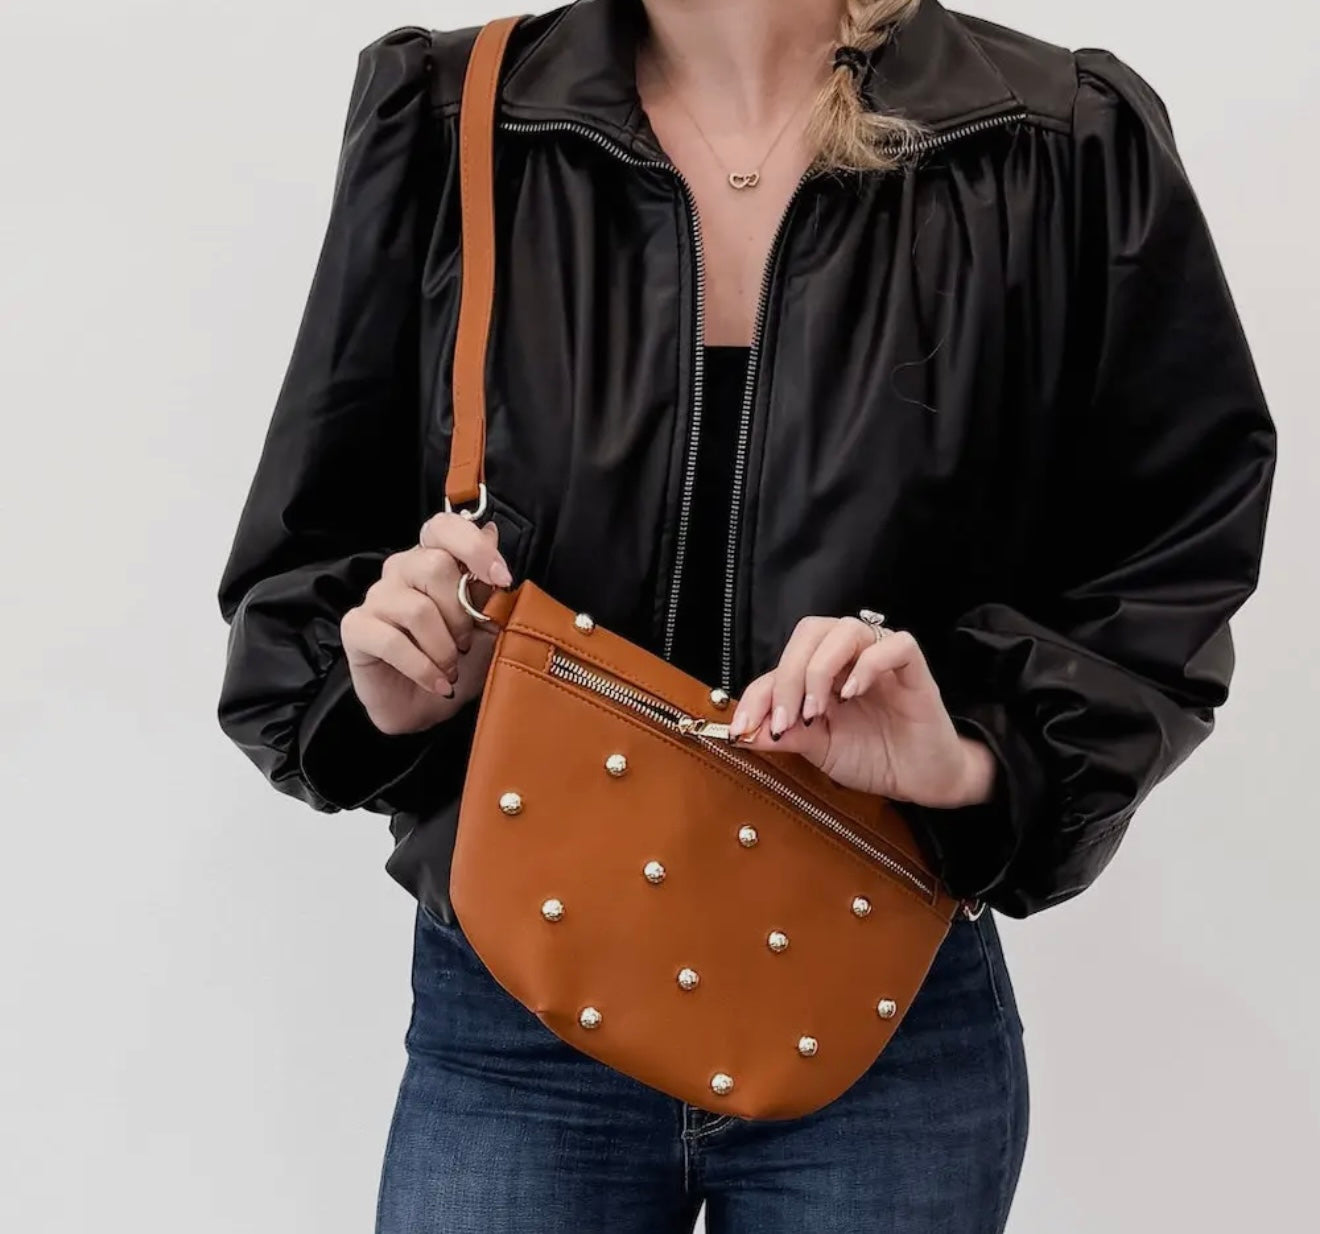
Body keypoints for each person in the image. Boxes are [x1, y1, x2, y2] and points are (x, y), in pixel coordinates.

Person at [215, 1, 1276, 1229]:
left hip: (881, 1008)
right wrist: (387, 689)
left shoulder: (1054, 140)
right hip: (518, 1006)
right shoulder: (460, 117)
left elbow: (1171, 555)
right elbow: (307, 568)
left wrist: (974, 758)